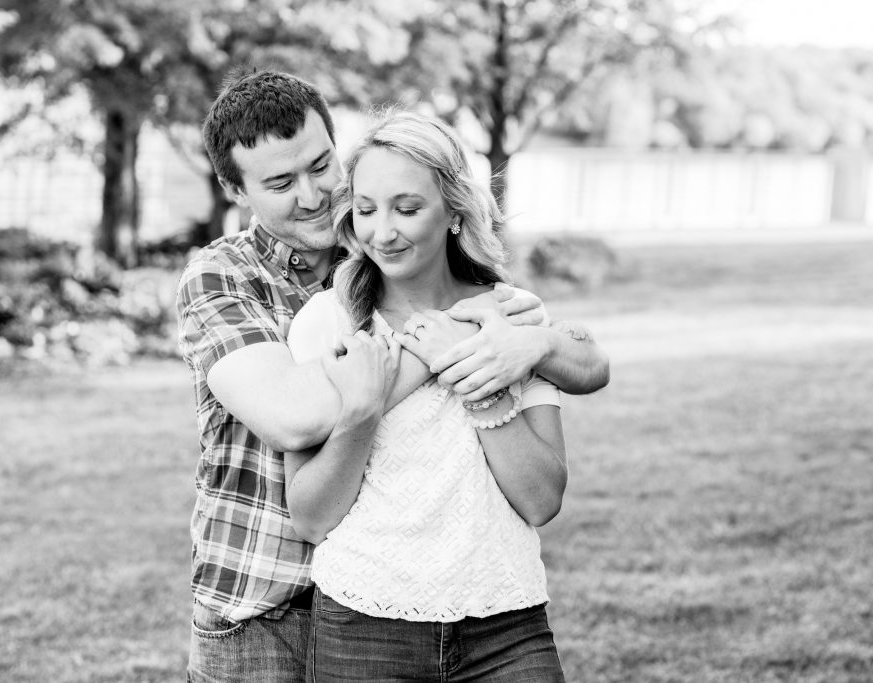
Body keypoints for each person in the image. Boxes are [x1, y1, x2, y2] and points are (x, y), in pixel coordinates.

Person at [176, 69, 609, 683]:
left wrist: (531, 342)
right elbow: (293, 417)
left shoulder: (399, 264)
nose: (313, 196)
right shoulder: (224, 278)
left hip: (442, 603)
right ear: (235, 189)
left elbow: (582, 365)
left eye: (322, 166)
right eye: (279, 182)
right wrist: (452, 344)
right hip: (262, 599)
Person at [284, 110, 573, 682]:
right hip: (363, 629)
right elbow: (312, 518)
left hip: (506, 625)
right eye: (365, 210)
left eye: (407, 209)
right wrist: (360, 414)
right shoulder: (328, 324)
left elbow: (542, 499)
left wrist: (476, 381)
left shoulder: (509, 314)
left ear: (455, 212)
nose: (382, 232)